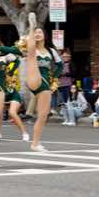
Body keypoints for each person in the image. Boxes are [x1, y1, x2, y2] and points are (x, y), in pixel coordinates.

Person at [23, 13, 61, 151]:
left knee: (43, 115)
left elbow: (60, 65)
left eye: (40, 32)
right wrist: (32, 29)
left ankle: (35, 143)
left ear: (45, 35)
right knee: (31, 53)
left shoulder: (51, 51)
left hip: (45, 82)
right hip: (33, 77)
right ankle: (31, 24)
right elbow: (29, 46)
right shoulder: (32, 47)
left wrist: (54, 78)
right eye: (36, 32)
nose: (38, 34)